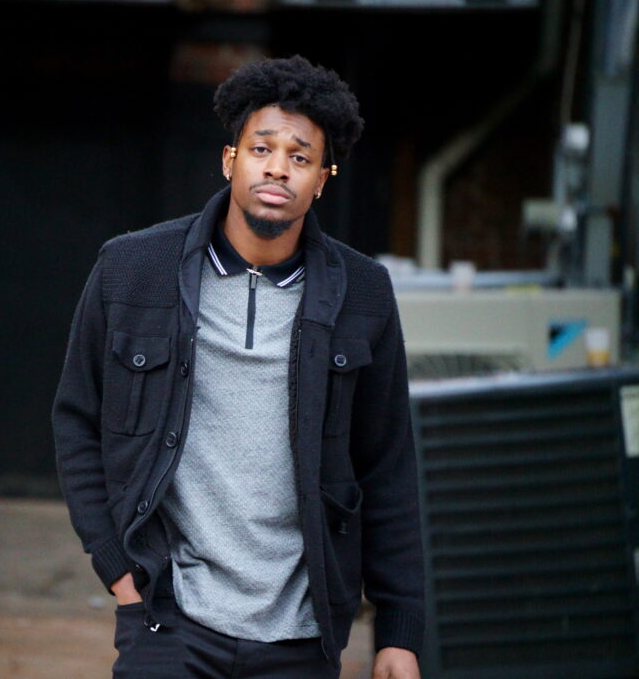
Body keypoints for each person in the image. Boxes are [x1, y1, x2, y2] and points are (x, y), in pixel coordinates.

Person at [53, 55, 424, 679]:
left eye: (300, 157)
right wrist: (118, 568)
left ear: (322, 180)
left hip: (303, 634)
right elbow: (76, 420)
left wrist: (399, 632)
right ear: (230, 160)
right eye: (262, 149)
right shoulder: (132, 269)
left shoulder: (364, 294)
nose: (278, 167)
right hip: (168, 617)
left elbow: (388, 468)